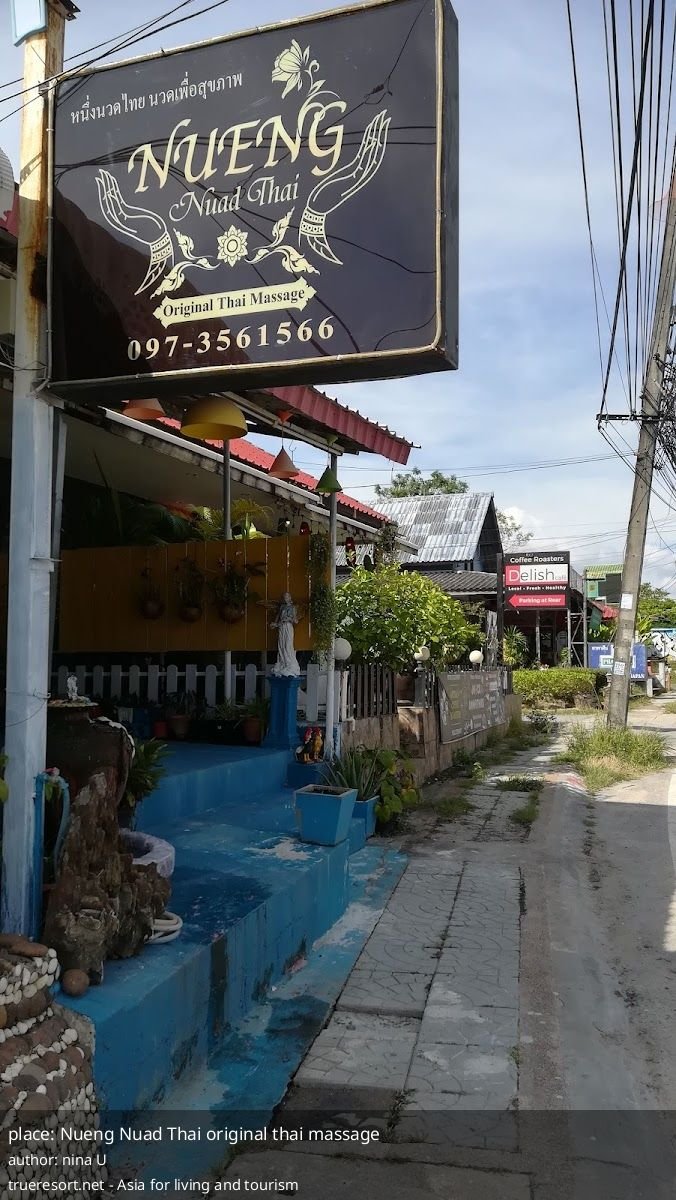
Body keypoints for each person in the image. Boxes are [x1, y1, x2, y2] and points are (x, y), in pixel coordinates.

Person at [271, 592, 300, 677]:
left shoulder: (293, 607)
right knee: (281, 645)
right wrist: (275, 623)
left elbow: (295, 620)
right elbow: (278, 616)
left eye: (287, 597)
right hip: (281, 627)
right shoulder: (282, 607)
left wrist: (289, 619)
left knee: (288, 645)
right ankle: (282, 663)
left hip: (288, 627)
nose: (285, 598)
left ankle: (289, 664)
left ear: (290, 597)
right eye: (284, 597)